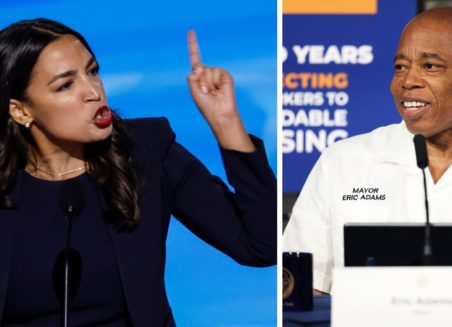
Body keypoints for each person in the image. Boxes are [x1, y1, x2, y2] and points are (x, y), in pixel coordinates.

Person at [0, 18, 276, 325]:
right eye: (66, 85)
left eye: (92, 71)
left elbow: (262, 246)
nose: (93, 91)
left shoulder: (146, 152)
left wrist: (226, 122)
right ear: (20, 111)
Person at [283, 7, 452, 297]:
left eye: (430, 66)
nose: (407, 81)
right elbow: (301, 286)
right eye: (400, 66)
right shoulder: (342, 161)